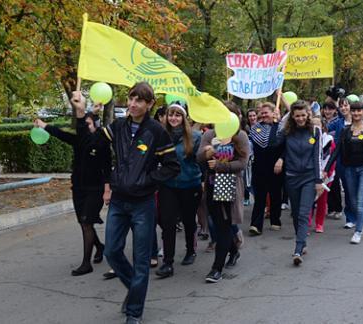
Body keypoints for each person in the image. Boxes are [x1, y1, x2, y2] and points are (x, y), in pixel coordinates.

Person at [70, 82, 180, 324]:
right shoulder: (118, 127)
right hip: (119, 202)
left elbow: (172, 166)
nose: (132, 104)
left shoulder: (156, 131)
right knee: (112, 251)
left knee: (142, 261)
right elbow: (89, 144)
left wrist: (147, 181)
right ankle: (135, 292)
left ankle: (134, 313)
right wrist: (81, 113)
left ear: (150, 104)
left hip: (143, 204)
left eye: (139, 100)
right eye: (131, 98)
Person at [33, 107, 111, 276]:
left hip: (95, 189)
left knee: (86, 222)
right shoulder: (78, 141)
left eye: (88, 124)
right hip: (78, 188)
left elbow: (107, 168)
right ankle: (99, 246)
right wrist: (43, 124)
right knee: (84, 222)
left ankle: (86, 264)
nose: (85, 127)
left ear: (95, 125)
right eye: (84, 124)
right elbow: (59, 133)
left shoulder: (102, 143)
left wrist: (107, 190)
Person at [197, 102, 250, 283]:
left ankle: (216, 268)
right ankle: (233, 250)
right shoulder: (210, 135)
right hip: (211, 185)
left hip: (230, 185)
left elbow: (243, 163)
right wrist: (206, 153)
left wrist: (221, 165)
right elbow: (199, 159)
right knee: (217, 222)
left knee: (224, 224)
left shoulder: (240, 136)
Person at [156, 103, 203, 279]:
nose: (173, 118)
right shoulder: (161, 136)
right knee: (167, 222)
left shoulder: (195, 137)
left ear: (184, 118)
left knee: (188, 220)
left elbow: (200, 161)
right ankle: (168, 262)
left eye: (177, 115)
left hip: (190, 185)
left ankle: (191, 250)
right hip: (168, 185)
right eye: (171, 115)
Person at [324, 102, 363, 244]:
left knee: (361, 202)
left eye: (359, 111)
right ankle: (357, 220)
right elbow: (337, 150)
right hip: (349, 169)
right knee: (352, 200)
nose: (356, 114)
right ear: (351, 112)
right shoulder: (345, 130)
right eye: (354, 111)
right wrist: (326, 169)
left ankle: (358, 231)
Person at [274, 101, 324, 264]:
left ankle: (297, 249)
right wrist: (278, 122)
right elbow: (274, 144)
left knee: (303, 214)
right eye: (297, 116)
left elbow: (317, 157)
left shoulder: (315, 131)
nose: (301, 119)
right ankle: (302, 242)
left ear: (308, 115)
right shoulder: (287, 131)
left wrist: (318, 180)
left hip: (309, 177)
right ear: (292, 117)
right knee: (296, 214)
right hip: (292, 176)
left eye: (303, 115)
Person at [248, 102, 284, 235]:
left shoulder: (280, 128)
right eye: (261, 113)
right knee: (260, 197)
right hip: (259, 167)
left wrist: (281, 160)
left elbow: (285, 147)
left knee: (275, 194)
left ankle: (275, 219)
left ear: (273, 113)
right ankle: (256, 225)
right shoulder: (255, 128)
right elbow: (251, 145)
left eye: (266, 113)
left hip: (276, 167)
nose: (263, 115)